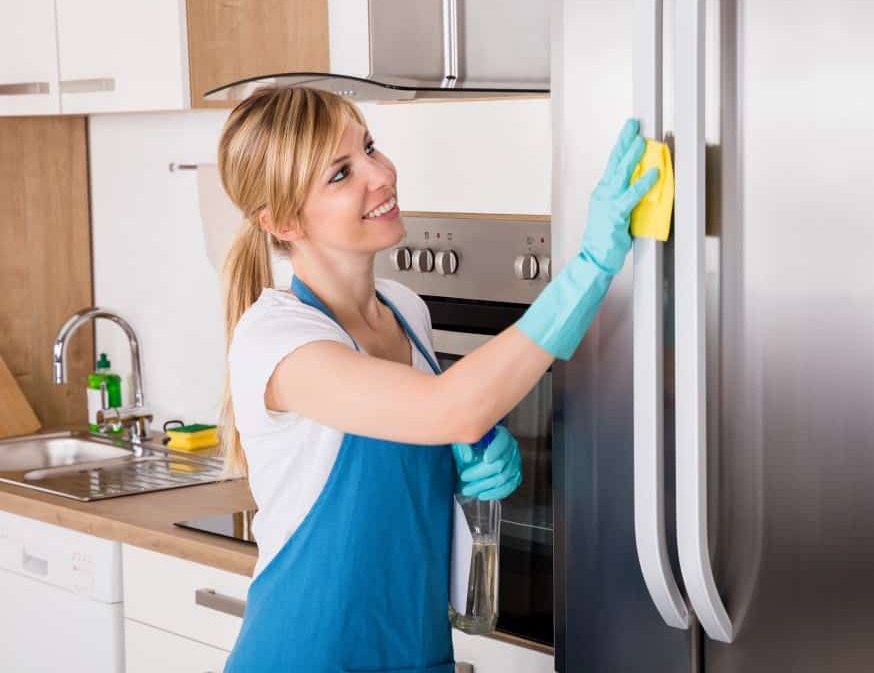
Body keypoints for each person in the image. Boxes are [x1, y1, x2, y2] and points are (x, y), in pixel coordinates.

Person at [217, 85, 657, 672]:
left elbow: (414, 448)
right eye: (341, 173)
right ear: (284, 220)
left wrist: (459, 470)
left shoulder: (406, 310)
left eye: (370, 148)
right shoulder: (276, 338)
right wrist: (592, 267)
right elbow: (449, 407)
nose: (380, 174)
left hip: (417, 654)